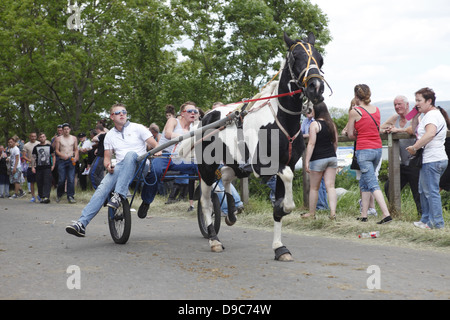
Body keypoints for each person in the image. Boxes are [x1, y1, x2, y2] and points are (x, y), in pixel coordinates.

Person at [65, 103, 161, 237]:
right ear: (111, 117)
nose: (122, 114)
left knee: (131, 155)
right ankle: (81, 224)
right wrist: (107, 165)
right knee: (102, 189)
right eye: (118, 112)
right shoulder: (109, 135)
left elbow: (155, 144)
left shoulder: (137, 128)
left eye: (124, 112)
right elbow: (106, 158)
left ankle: (118, 195)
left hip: (140, 164)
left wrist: (158, 151)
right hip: (121, 167)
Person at [138, 102, 199, 218]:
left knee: (202, 166)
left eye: (195, 111)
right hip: (164, 155)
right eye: (190, 111)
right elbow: (168, 134)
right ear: (182, 114)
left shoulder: (196, 127)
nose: (193, 113)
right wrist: (186, 135)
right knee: (155, 171)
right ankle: (146, 201)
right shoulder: (174, 121)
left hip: (181, 158)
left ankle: (209, 201)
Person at [346, 84, 392, 224]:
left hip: (363, 150)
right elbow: (375, 129)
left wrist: (357, 134)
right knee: (365, 182)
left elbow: (350, 134)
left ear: (356, 96)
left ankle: (386, 214)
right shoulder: (376, 110)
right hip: (377, 149)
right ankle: (364, 214)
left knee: (372, 183)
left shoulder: (355, 111)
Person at [406, 88, 449, 229]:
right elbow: (415, 130)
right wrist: (414, 115)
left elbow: (430, 134)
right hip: (432, 159)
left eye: (419, 100)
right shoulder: (429, 115)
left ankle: (437, 223)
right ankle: (426, 220)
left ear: (429, 101)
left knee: (431, 192)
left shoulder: (431, 116)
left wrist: (415, 147)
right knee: (423, 190)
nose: (416, 104)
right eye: (416, 100)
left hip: (433, 159)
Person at [381, 95, 421, 215]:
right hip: (403, 164)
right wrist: (387, 130)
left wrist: (397, 130)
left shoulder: (412, 116)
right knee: (389, 187)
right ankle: (395, 213)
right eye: (395, 104)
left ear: (407, 105)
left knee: (417, 193)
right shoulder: (396, 118)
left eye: (400, 104)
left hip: (415, 162)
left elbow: (413, 129)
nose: (397, 107)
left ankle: (422, 217)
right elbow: (380, 128)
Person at [303, 102, 338, 219]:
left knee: (314, 188)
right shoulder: (331, 124)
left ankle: (311, 213)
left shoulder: (314, 124)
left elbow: (311, 144)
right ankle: (333, 213)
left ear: (317, 110)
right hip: (332, 158)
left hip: (318, 159)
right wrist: (332, 154)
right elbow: (335, 142)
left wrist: (306, 161)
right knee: (331, 186)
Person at [301, 109, 329, 210]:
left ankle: (321, 206)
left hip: (319, 152)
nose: (307, 113)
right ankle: (323, 206)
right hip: (314, 153)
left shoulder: (316, 122)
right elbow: (301, 133)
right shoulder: (305, 122)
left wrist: (307, 135)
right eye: (306, 111)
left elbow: (311, 135)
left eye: (310, 110)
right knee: (319, 182)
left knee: (319, 182)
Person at [54, 123, 78, 203]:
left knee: (71, 179)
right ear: (62, 130)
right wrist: (62, 155)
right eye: (64, 129)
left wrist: (76, 157)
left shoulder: (74, 138)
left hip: (71, 160)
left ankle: (70, 196)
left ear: (70, 129)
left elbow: (76, 149)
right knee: (61, 179)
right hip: (62, 160)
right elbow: (56, 150)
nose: (66, 130)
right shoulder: (58, 139)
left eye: (67, 129)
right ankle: (59, 194)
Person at [31, 133, 55, 203]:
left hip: (47, 167)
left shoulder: (49, 146)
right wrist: (33, 167)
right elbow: (33, 157)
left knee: (47, 182)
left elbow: (53, 156)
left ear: (46, 137)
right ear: (39, 139)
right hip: (39, 167)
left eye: (43, 137)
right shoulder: (36, 147)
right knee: (40, 182)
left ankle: (46, 197)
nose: (42, 138)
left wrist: (53, 165)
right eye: (40, 137)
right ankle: (41, 196)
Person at [22, 132, 40, 202]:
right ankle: (33, 196)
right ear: (29, 137)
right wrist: (30, 160)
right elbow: (23, 156)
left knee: (39, 181)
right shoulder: (26, 145)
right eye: (32, 136)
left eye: (34, 136)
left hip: (38, 165)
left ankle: (39, 195)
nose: (33, 138)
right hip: (30, 166)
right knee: (32, 182)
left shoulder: (39, 143)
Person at [89, 124, 107, 189]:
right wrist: (98, 148)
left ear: (97, 130)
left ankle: (100, 191)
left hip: (101, 156)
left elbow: (93, 139)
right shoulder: (106, 135)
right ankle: (104, 193)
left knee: (92, 174)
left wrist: (101, 132)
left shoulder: (103, 134)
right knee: (100, 176)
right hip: (103, 156)